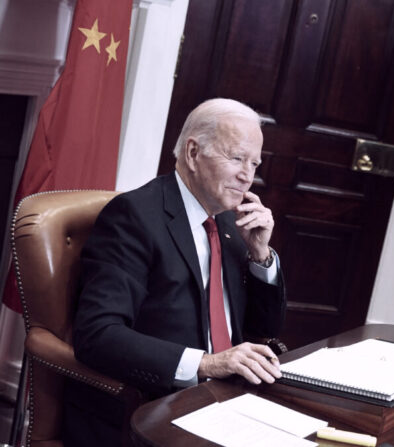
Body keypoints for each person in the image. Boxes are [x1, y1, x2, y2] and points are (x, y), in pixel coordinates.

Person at [66, 98, 286, 445]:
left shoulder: (230, 221)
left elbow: (263, 331)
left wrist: (260, 256)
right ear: (193, 152)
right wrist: (208, 364)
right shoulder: (134, 217)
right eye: (237, 158)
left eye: (255, 163)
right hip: (158, 408)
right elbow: (97, 335)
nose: (248, 176)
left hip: (230, 404)